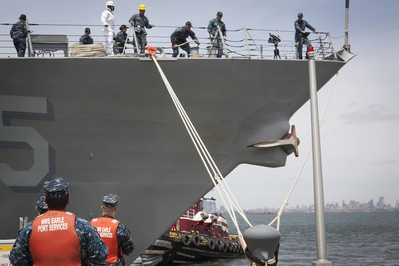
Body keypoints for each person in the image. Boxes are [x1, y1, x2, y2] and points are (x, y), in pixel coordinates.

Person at [9, 177, 108, 266]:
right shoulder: (82, 226)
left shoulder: (30, 228)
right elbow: (100, 256)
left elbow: (16, 259)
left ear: (46, 201)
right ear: (68, 200)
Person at [90, 194, 134, 266]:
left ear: (102, 208)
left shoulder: (91, 224)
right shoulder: (119, 227)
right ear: (115, 209)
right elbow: (129, 250)